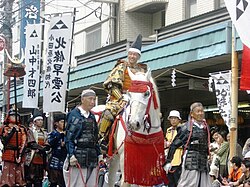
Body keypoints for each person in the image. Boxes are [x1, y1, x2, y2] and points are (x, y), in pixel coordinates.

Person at [98, 34, 148, 152]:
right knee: (109, 113)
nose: (132, 56)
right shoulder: (122, 66)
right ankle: (101, 139)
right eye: (130, 54)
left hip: (137, 98)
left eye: (134, 54)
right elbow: (112, 84)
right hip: (120, 97)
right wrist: (121, 97)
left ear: (138, 56)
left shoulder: (142, 69)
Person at [163, 102, 211, 187]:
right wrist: (168, 161)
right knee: (188, 184)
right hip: (191, 160)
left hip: (203, 161)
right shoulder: (186, 128)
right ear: (192, 114)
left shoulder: (205, 127)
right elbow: (174, 145)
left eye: (202, 111)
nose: (200, 113)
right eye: (198, 111)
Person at [65, 89, 102, 186]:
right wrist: (71, 155)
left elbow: (95, 137)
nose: (92, 102)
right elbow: (69, 137)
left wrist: (99, 153)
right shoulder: (74, 114)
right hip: (78, 155)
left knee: (91, 184)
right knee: (77, 184)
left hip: (92, 156)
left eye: (94, 99)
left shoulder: (92, 116)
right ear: (82, 99)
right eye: (90, 99)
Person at [0, 108, 27, 187]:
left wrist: (20, 154)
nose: (15, 117)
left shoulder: (22, 128)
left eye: (17, 116)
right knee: (7, 177)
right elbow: (4, 141)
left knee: (19, 176)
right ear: (8, 117)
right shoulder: (4, 128)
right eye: (13, 116)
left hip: (19, 153)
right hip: (8, 152)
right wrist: (12, 131)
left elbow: (24, 142)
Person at [25, 110, 49, 187]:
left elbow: (47, 144)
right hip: (31, 158)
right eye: (38, 120)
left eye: (41, 120)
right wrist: (42, 148)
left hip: (41, 159)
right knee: (29, 179)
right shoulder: (30, 131)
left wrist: (46, 147)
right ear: (34, 122)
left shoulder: (45, 133)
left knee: (39, 180)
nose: (40, 122)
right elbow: (31, 143)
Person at [47, 114, 67, 187]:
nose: (64, 124)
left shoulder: (68, 134)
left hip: (65, 161)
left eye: (65, 122)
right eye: (62, 122)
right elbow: (50, 143)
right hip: (55, 161)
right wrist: (59, 136)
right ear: (56, 123)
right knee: (53, 182)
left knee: (64, 183)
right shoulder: (53, 133)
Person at [165, 110, 183, 187]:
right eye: (171, 118)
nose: (173, 120)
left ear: (179, 119)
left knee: (178, 182)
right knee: (170, 183)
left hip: (179, 159)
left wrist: (173, 144)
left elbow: (185, 143)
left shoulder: (183, 129)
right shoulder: (168, 130)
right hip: (169, 160)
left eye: (175, 118)